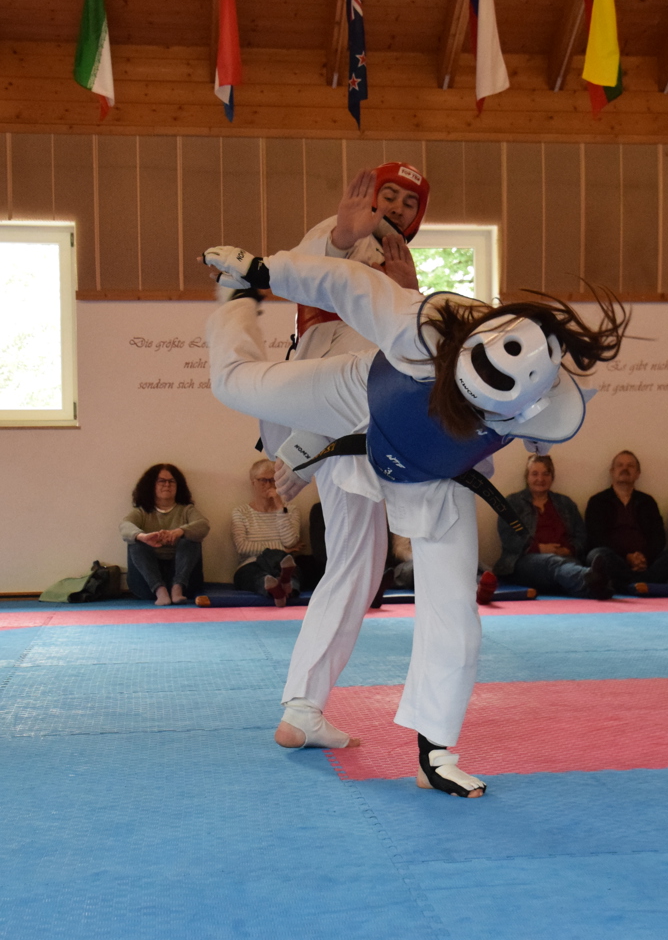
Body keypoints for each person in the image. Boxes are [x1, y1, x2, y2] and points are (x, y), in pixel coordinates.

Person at [202, 239, 627, 798]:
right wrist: (263, 271)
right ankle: (236, 300)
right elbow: (344, 283)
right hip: (361, 394)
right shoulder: (425, 325)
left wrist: (526, 435)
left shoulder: (548, 401)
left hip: (441, 469)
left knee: (455, 610)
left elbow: (538, 432)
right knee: (234, 384)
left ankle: (436, 754)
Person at [253, 164, 427, 761]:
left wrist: (409, 294)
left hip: (360, 414)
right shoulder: (341, 230)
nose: (397, 207)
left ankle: (304, 707)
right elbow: (294, 276)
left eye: (409, 202)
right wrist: (342, 237)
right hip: (333, 393)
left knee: (363, 558)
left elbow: (411, 343)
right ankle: (302, 708)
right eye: (389, 195)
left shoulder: (399, 259)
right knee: (357, 560)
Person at [496, 454, 612, 600]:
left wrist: (568, 549)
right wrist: (539, 548)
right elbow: (508, 538)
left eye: (546, 474)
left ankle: (596, 588)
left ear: (552, 477)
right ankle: (592, 578)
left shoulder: (566, 503)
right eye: (535, 474)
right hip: (524, 563)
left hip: (566, 559)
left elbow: (581, 536)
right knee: (553, 562)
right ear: (527, 477)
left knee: (566, 568)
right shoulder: (512, 503)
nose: (540, 479)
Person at [584, 450, 668, 592]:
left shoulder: (647, 501)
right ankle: (644, 583)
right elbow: (596, 538)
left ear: (638, 473)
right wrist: (627, 557)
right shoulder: (598, 501)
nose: (625, 469)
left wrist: (643, 558)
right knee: (597, 555)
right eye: (620, 465)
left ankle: (629, 584)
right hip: (615, 559)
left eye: (630, 466)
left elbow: (658, 537)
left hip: (647, 562)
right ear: (612, 472)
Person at [120, 464, 209, 605]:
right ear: (151, 485)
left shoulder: (187, 510)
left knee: (191, 539)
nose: (167, 485)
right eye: (161, 481)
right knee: (135, 543)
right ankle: (160, 590)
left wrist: (180, 532)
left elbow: (203, 525)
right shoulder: (141, 512)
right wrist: (143, 537)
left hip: (184, 580)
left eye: (171, 481)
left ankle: (177, 588)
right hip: (147, 582)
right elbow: (124, 526)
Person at [230, 459, 302, 607]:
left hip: (281, 563)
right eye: (263, 480)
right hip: (251, 563)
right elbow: (243, 547)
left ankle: (285, 586)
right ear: (253, 482)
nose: (269, 485)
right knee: (254, 576)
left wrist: (279, 506)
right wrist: (282, 549)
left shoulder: (291, 510)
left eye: (273, 480)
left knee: (292, 570)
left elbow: (290, 542)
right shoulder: (240, 512)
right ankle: (278, 588)